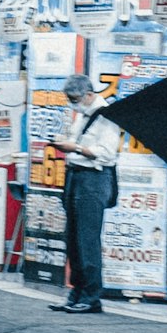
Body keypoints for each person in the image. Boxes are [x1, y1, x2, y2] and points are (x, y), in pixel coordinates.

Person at [60, 93, 117, 312]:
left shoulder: (106, 116)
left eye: (74, 97)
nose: (71, 101)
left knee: (87, 238)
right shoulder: (82, 115)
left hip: (94, 178)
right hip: (75, 175)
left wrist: (74, 148)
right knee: (72, 237)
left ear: (89, 94)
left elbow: (106, 154)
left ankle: (92, 296)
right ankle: (77, 291)